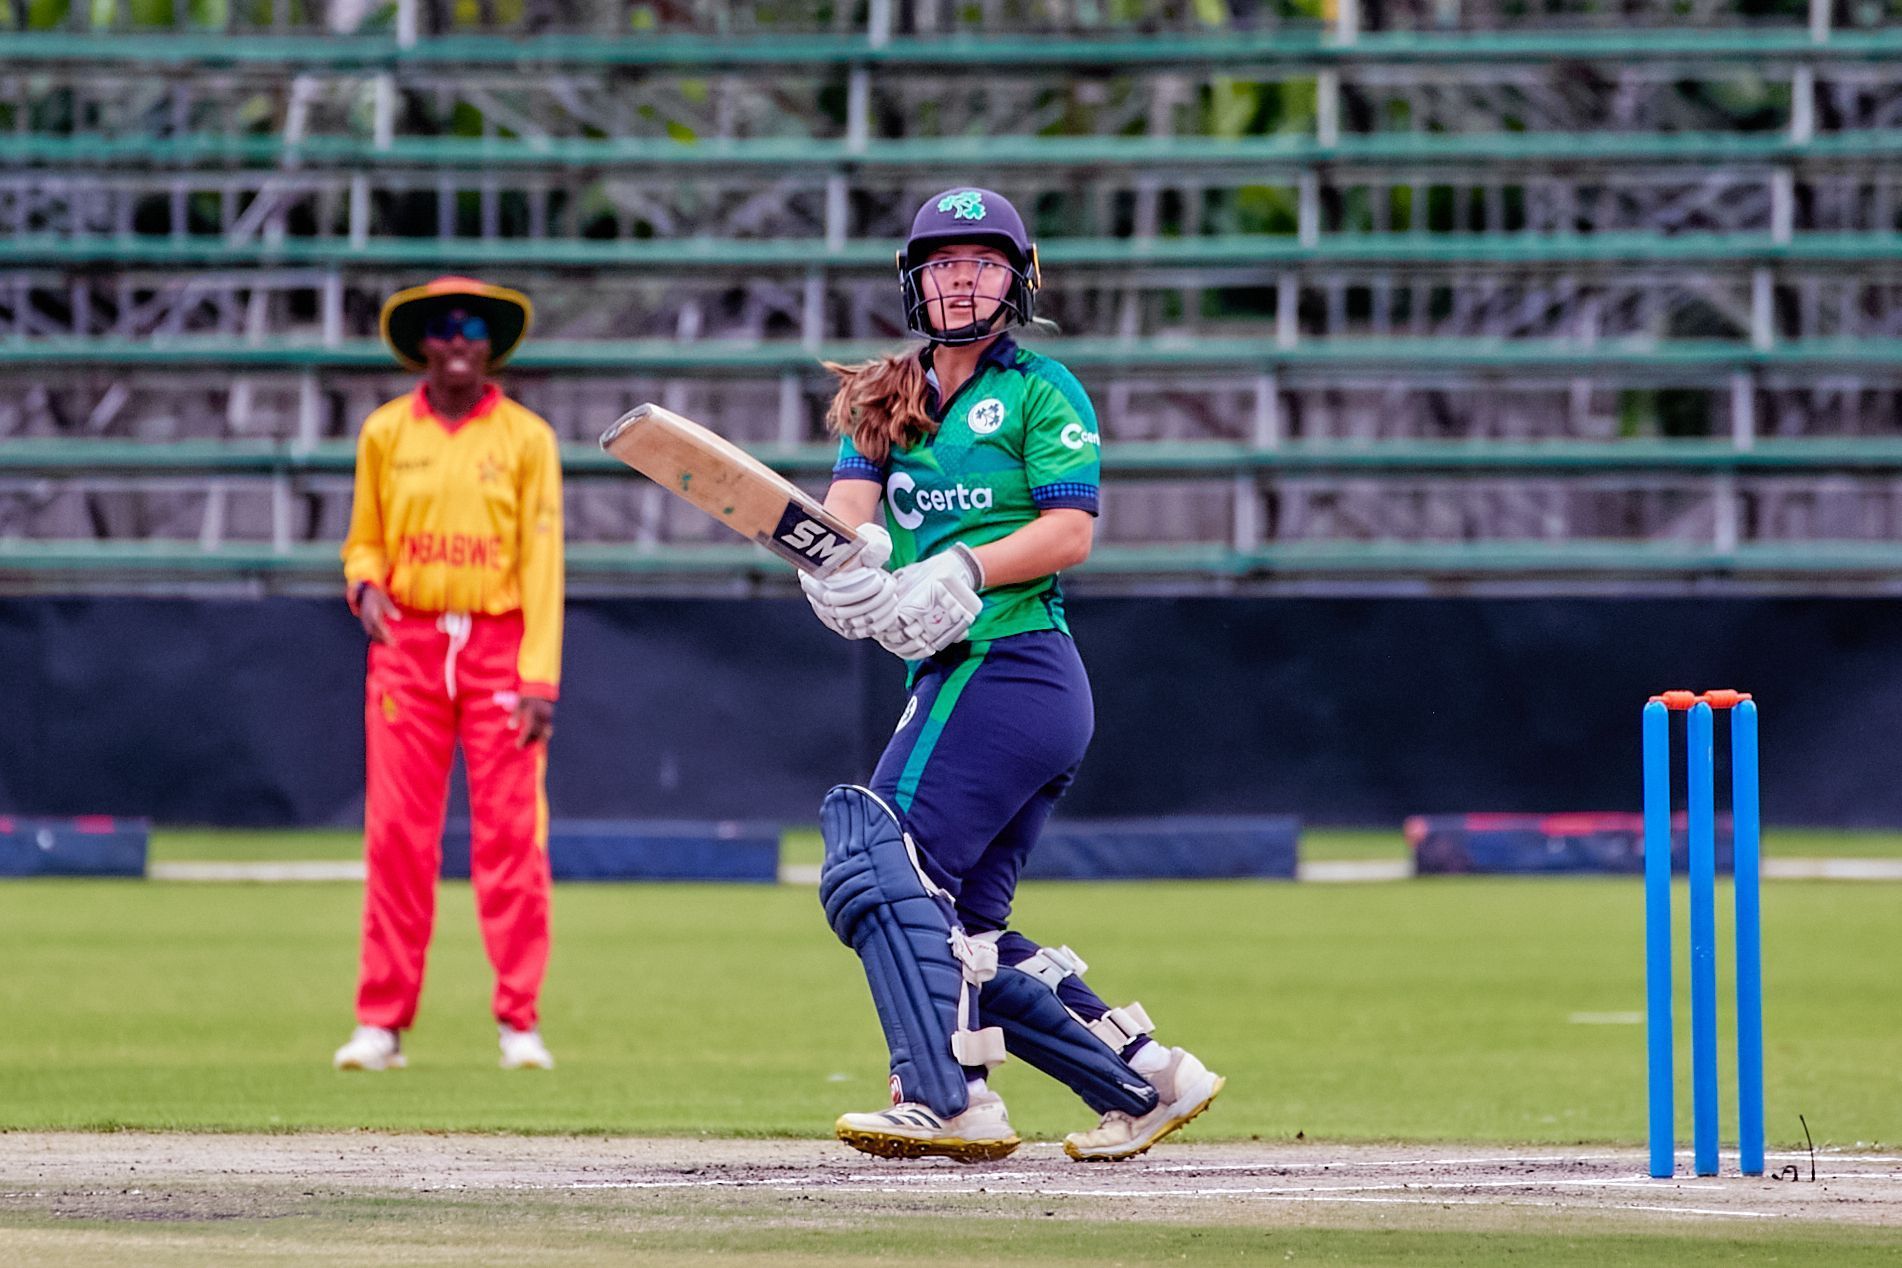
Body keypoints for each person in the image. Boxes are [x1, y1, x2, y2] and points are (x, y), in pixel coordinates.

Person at [802, 189, 1224, 1162]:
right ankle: (1145, 1074)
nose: (963, 277)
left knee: (875, 865)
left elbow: (1070, 529)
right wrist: (838, 575)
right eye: (945, 262)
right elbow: (844, 522)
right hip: (959, 674)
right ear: (916, 280)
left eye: (984, 262)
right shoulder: (881, 396)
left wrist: (960, 563)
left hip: (1016, 662)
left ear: (1017, 280)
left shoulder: (1042, 387)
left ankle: (944, 1094)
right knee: (961, 930)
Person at [332, 276, 565, 1073]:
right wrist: (362, 581)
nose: (459, 339)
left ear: (489, 342)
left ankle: (518, 1022)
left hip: (500, 646)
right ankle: (381, 1024)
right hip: (409, 644)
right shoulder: (386, 433)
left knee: (510, 839)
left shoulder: (528, 439)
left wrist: (539, 678)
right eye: (444, 326)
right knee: (398, 837)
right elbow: (364, 538)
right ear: (423, 342)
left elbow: (542, 562)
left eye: (472, 326)